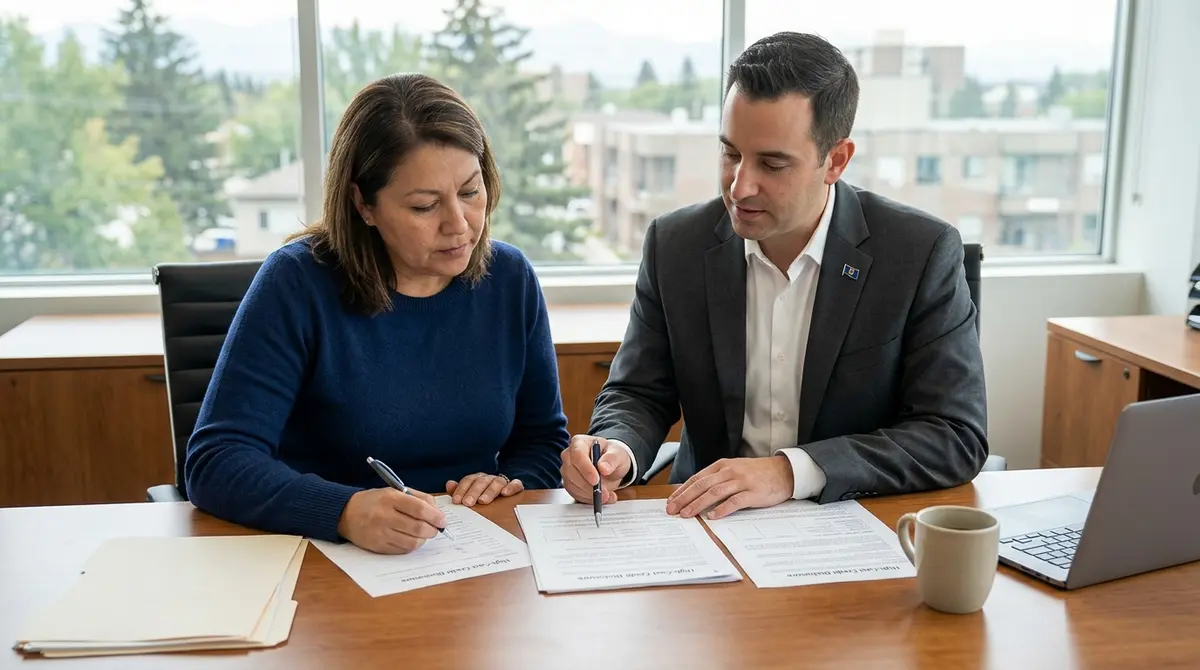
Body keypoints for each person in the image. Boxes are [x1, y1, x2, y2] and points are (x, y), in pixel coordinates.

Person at [560, 31, 988, 520]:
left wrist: (790, 472)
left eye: (772, 163)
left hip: (853, 522)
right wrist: (617, 448)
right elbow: (638, 391)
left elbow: (954, 434)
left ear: (836, 161)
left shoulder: (918, 252)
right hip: (705, 523)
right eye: (730, 153)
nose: (740, 185)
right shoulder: (675, 245)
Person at [186, 73, 569, 554]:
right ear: (363, 204)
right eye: (425, 206)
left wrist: (509, 481)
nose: (459, 224)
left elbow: (541, 438)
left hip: (470, 554)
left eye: (471, 192)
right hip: (328, 559)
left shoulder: (510, 277)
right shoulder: (297, 282)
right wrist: (342, 510)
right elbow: (216, 462)